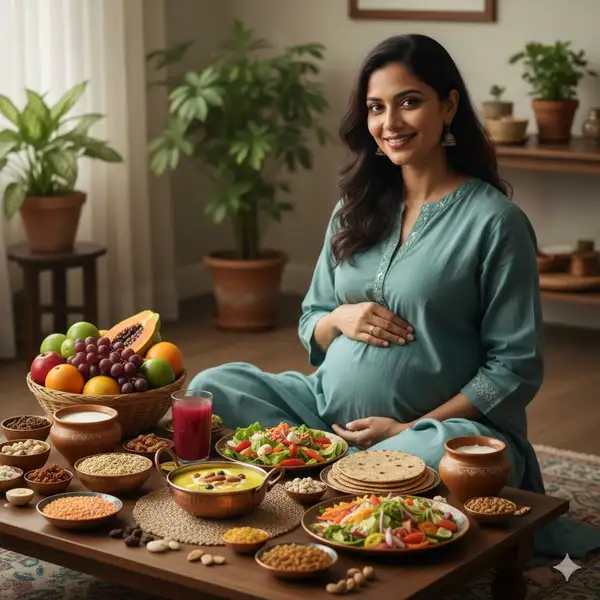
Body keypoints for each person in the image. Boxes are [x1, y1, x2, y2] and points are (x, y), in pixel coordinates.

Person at [191, 33, 600, 562]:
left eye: (409, 102)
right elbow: (310, 319)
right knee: (211, 387)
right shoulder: (354, 209)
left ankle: (327, 485)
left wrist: (410, 428)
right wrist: (341, 315)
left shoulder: (495, 223)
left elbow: (514, 368)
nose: (391, 123)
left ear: (448, 106)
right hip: (322, 417)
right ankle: (341, 477)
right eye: (376, 108)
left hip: (442, 432)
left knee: (431, 457)